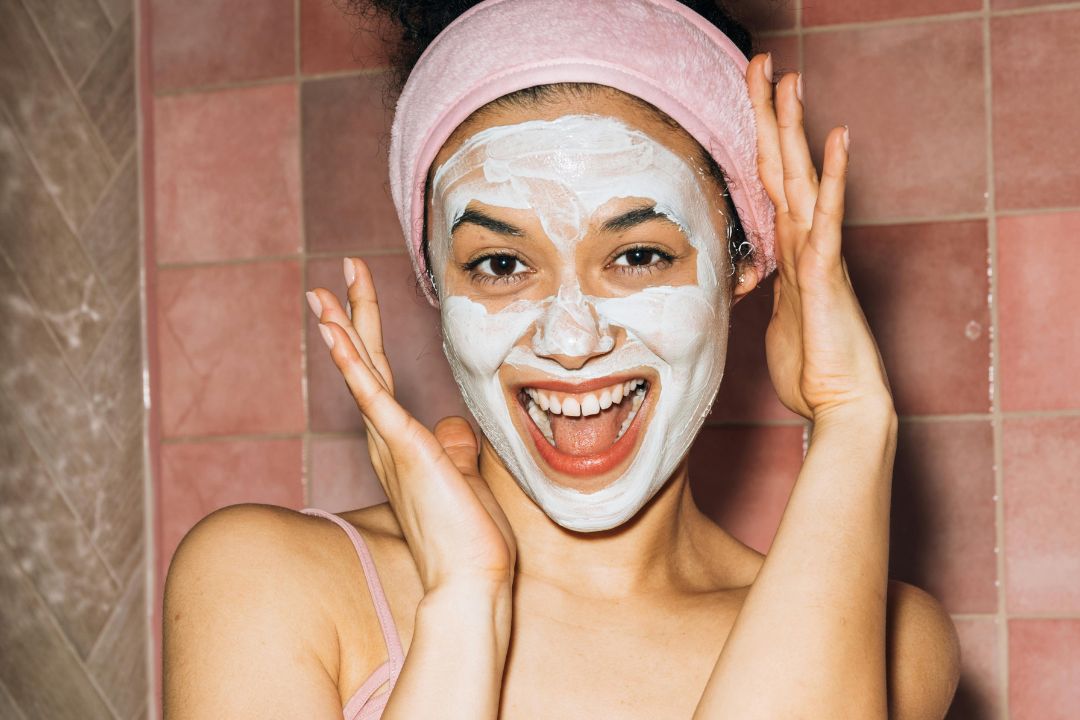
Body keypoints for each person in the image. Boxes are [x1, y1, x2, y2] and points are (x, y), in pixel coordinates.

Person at [163, 1, 961, 717]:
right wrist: (463, 608)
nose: (571, 340)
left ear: (743, 264)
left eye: (640, 255)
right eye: (501, 266)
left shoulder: (893, 642)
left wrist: (855, 416)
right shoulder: (264, 583)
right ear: (434, 280)